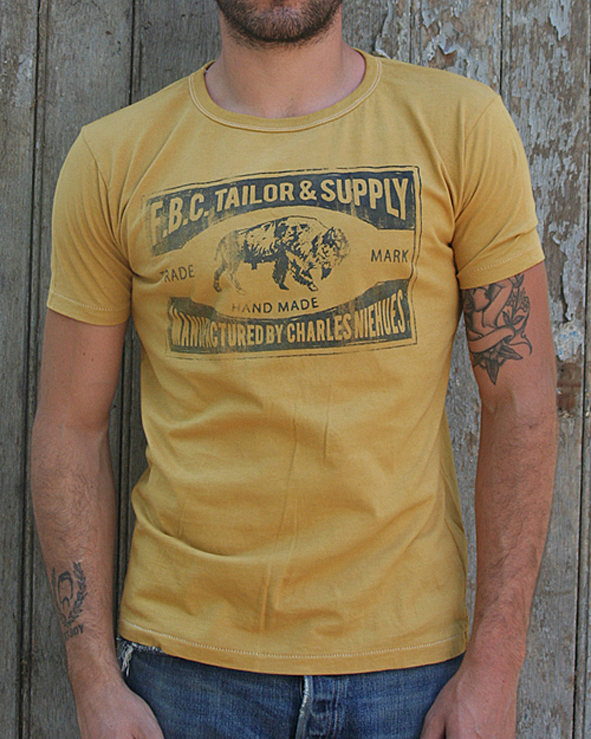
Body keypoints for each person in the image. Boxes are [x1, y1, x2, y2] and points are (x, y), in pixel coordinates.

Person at [31, 1, 558, 737]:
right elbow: (69, 428)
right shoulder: (113, 157)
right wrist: (91, 677)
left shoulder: (461, 128)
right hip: (184, 674)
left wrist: (497, 666)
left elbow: (521, 403)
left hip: (408, 674)